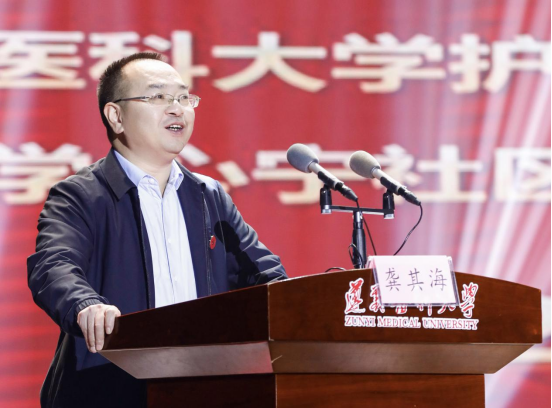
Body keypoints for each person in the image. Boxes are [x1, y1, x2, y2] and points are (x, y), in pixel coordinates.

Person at [27, 52, 287, 408]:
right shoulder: (81, 195)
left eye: (184, 97)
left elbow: (265, 275)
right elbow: (53, 265)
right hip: (109, 389)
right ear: (116, 116)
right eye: (158, 97)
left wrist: (300, 305)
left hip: (203, 389)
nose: (177, 109)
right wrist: (86, 304)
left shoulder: (208, 196)